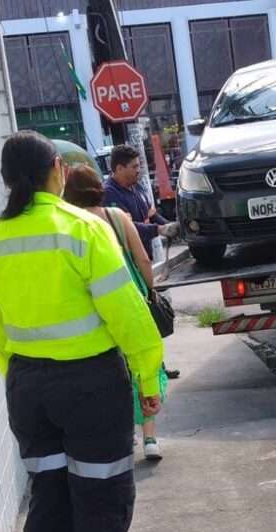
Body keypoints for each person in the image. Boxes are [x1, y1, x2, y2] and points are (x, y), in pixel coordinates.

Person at [0, 130, 172, 532]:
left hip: (28, 387)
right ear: (56, 173)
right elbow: (128, 314)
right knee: (101, 492)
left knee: (50, 491)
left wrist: (23, 383)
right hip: (89, 386)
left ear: (6, 181)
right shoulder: (81, 229)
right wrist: (149, 378)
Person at [65, 164, 168, 461]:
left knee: (115, 367)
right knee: (144, 364)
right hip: (129, 293)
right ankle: (150, 438)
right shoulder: (118, 217)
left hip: (96, 303)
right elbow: (144, 259)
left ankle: (125, 436)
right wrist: (149, 292)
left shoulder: (73, 225)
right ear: (98, 187)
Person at [104, 144, 182, 380]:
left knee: (151, 316)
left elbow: (149, 214)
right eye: (134, 166)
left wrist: (169, 224)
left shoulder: (135, 188)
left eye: (139, 166)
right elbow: (127, 229)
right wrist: (159, 229)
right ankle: (144, 370)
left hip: (143, 259)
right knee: (141, 318)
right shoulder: (110, 194)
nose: (139, 170)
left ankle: (156, 367)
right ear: (119, 168)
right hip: (128, 265)